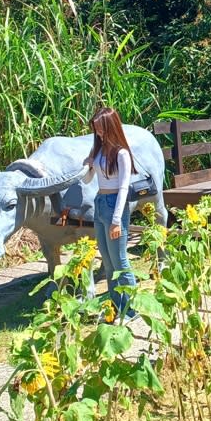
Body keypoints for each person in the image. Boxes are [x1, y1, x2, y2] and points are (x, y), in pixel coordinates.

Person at [82, 107, 137, 319]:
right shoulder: (97, 151)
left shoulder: (122, 154)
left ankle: (132, 308)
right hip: (100, 202)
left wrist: (116, 220)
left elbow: (124, 188)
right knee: (106, 260)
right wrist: (88, 166)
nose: (98, 134)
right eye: (96, 130)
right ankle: (116, 306)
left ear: (111, 127)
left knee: (120, 260)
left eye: (101, 130)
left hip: (116, 204)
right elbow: (87, 180)